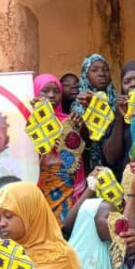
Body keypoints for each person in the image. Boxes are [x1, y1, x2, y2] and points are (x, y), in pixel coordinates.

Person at [34, 73, 87, 224]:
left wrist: (77, 130)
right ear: (36, 91)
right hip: (39, 180)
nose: (51, 95)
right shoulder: (26, 120)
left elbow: (75, 155)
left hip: (65, 182)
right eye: (45, 91)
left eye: (56, 91)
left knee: (65, 224)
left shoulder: (69, 120)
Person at [101, 60, 135, 178]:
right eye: (127, 81)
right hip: (129, 184)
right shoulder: (118, 114)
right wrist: (121, 116)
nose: (133, 84)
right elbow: (110, 158)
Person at [72, 53, 117, 172]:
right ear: (85, 75)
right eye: (94, 70)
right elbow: (83, 140)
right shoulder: (79, 103)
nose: (101, 74)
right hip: (89, 164)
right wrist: (91, 108)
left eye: (105, 69)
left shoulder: (116, 100)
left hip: (116, 161)